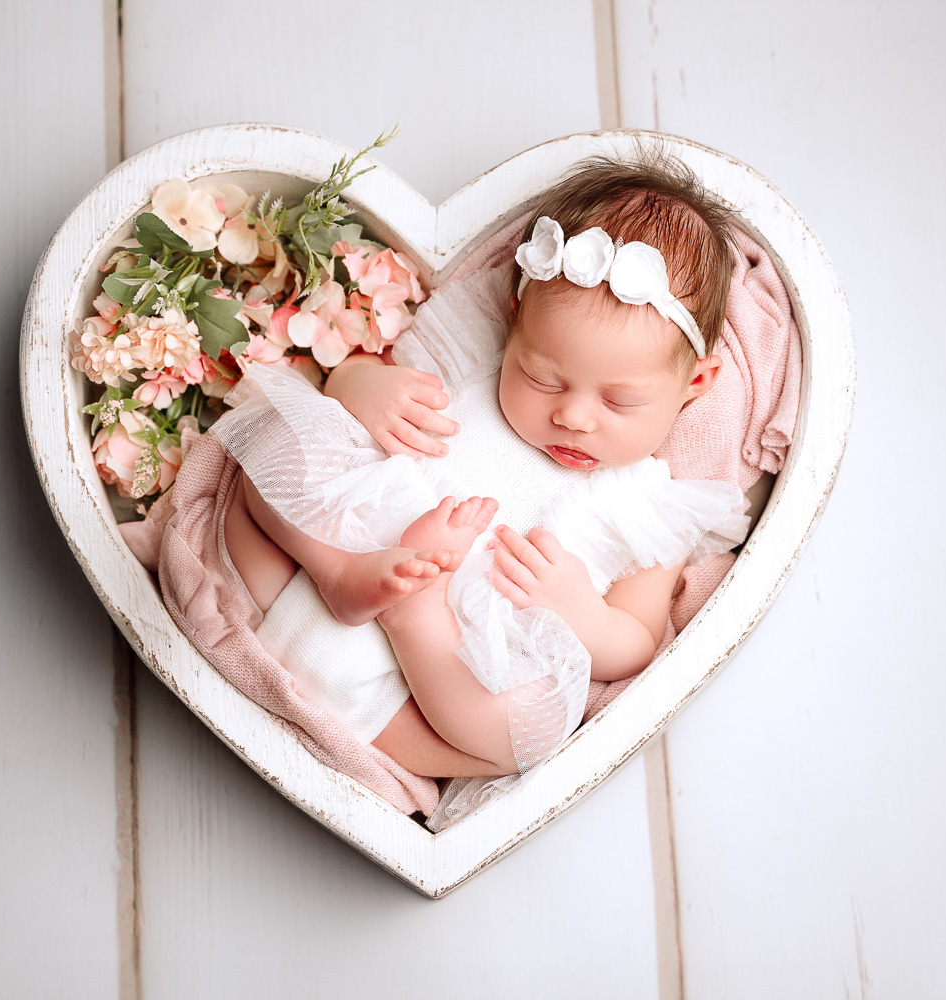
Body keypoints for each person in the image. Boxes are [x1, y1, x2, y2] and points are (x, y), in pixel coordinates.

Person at [210, 152, 749, 780]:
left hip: (424, 686)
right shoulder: (468, 364)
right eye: (542, 377)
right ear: (515, 325)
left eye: (618, 400)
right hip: (299, 576)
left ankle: (413, 618)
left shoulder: (652, 506)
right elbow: (367, 381)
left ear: (696, 383)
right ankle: (341, 575)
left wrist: (584, 613)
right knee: (281, 438)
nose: (574, 418)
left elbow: (637, 639)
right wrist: (356, 385)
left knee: (532, 730)